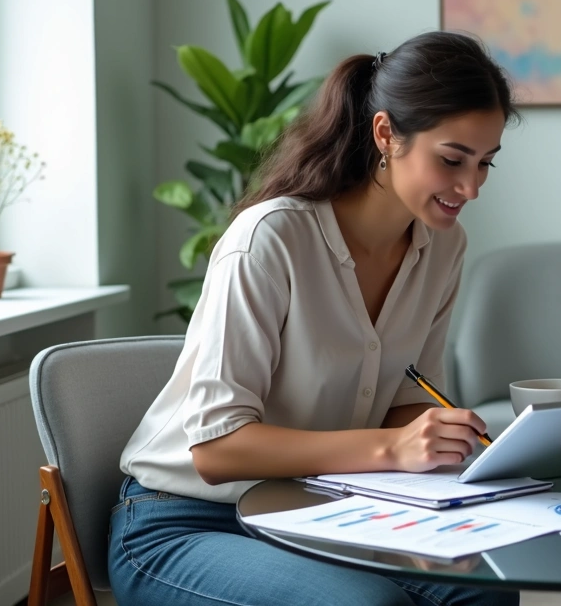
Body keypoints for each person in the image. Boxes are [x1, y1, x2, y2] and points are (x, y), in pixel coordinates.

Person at [110, 32, 520, 606]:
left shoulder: (442, 248)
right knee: (367, 605)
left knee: (484, 590)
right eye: (452, 160)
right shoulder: (270, 238)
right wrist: (391, 449)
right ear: (386, 135)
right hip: (188, 520)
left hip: (321, 508)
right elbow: (217, 450)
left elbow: (411, 396)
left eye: (485, 163)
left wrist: (448, 437)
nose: (471, 187)